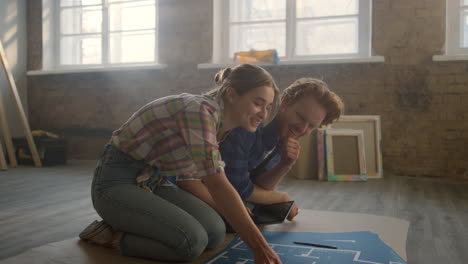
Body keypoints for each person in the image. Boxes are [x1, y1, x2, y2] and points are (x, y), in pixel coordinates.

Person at [78, 64, 284, 263]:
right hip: (116, 182)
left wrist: (232, 211)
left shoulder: (223, 124)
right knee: (191, 243)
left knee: (215, 232)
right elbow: (217, 184)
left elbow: (191, 176)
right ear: (231, 95)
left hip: (154, 181)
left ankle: (135, 220)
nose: (264, 114)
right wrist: (260, 247)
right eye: (258, 103)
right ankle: (110, 234)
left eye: (267, 107)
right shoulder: (200, 112)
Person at [219, 78, 344, 222]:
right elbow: (236, 186)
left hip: (231, 191)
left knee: (266, 211)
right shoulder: (250, 125)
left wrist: (285, 164)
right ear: (285, 101)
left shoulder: (284, 133)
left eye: (311, 126)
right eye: (300, 117)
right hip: (207, 185)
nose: (302, 129)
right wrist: (280, 197)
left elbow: (261, 185)